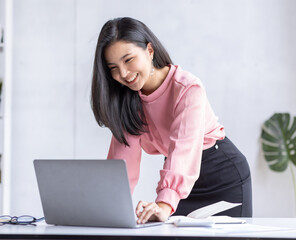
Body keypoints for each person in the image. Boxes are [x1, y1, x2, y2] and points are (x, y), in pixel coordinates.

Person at [91, 17, 252, 224]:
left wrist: (164, 205)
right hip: (179, 180)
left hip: (221, 174)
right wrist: (105, 211)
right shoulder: (127, 101)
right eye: (113, 68)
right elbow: (122, 164)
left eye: (128, 60)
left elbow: (183, 149)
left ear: (149, 50)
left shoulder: (187, 88)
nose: (123, 73)